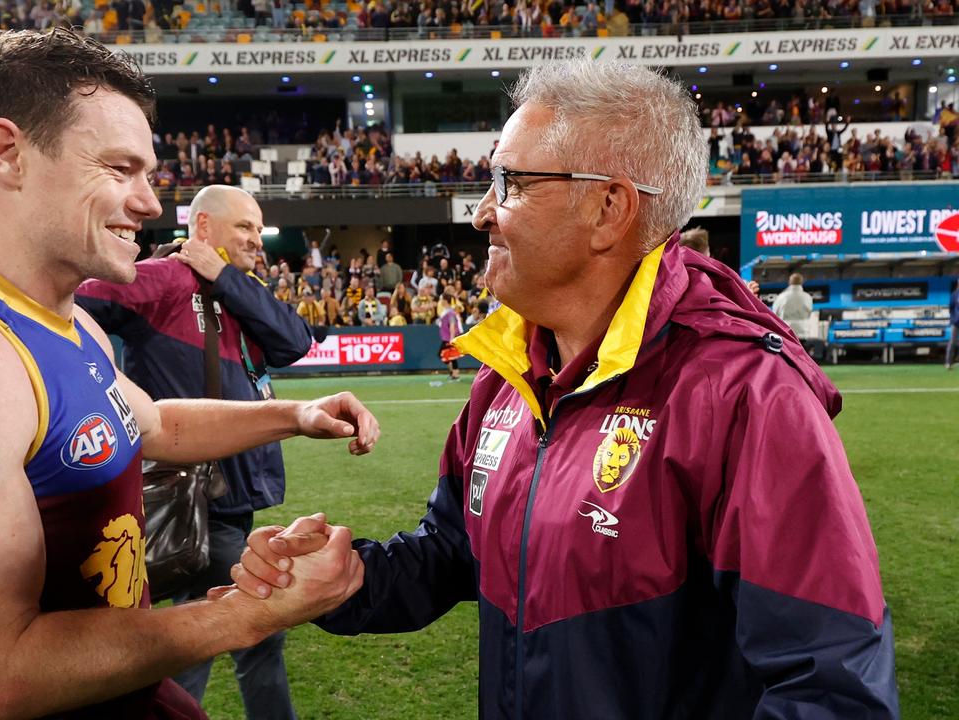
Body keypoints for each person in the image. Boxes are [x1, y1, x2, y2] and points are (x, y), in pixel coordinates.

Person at [229, 59, 898, 718]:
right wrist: (351, 581)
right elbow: (453, 549)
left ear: (609, 208)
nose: (482, 213)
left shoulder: (745, 397)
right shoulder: (507, 374)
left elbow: (832, 691)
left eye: (509, 181)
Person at [0, 29, 370, 720]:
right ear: (7, 153)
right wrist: (248, 612)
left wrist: (291, 416)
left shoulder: (64, 317)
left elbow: (154, 423)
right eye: (120, 169)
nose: (150, 203)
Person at [76, 184, 315, 719]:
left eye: (258, 229)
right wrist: (100, 381)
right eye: (244, 228)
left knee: (208, 628)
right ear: (202, 228)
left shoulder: (238, 290)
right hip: (195, 496)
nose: (257, 239)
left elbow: (295, 341)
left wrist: (225, 275)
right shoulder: (164, 280)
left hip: (231, 493)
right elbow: (72, 300)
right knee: (241, 629)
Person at [946, 280, 958, 371]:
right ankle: (948, 363)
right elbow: (950, 308)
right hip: (955, 321)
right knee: (952, 342)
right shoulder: (954, 295)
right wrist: (954, 317)